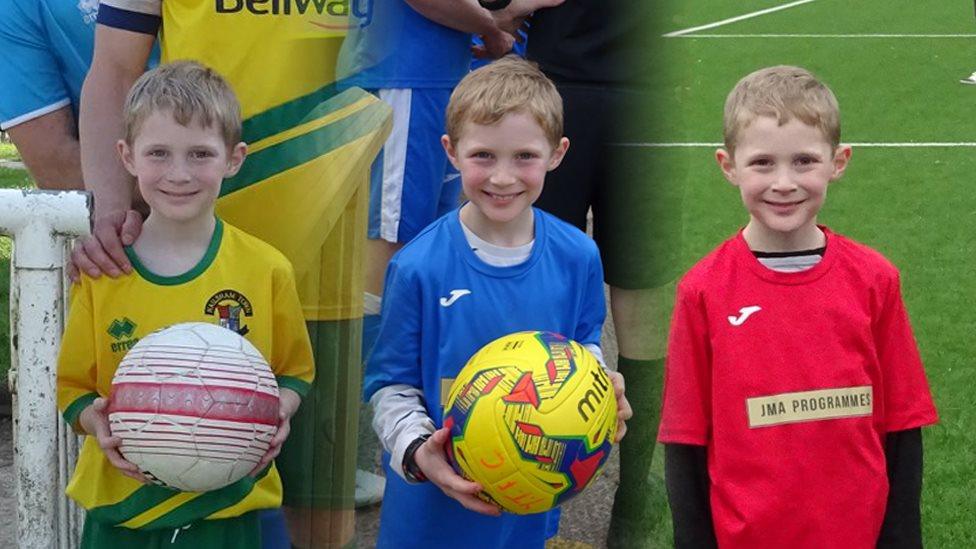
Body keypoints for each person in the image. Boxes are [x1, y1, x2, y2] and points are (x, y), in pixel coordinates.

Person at [76, 2, 391, 546]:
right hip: (190, 252)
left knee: (320, 502)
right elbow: (112, 67)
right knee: (161, 454)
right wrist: (107, 212)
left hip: (338, 236)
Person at [658, 65, 938, 548]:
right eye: (763, 162)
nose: (784, 182)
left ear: (839, 161)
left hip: (856, 533)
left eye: (805, 161)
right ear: (728, 166)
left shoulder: (875, 280)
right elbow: (685, 440)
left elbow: (902, 427)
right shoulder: (702, 290)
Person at [363, 56, 632, 548]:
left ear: (557, 153)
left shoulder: (578, 256)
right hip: (430, 513)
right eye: (483, 155)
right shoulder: (419, 266)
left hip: (527, 500)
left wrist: (598, 389)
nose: (503, 177)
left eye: (524, 156)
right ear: (451, 151)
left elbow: (584, 347)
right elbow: (389, 386)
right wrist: (420, 452)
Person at [56, 61, 314, 547]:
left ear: (234, 158)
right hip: (122, 512)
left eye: (200, 154)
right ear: (127, 156)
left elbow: (294, 372)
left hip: (229, 506)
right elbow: (73, 389)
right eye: (159, 153)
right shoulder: (103, 274)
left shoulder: (267, 269)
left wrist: (279, 411)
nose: (179, 174)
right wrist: (97, 423)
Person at [483, 2, 680, 544]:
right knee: (640, 302)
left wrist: (498, 15)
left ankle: (519, 477)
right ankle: (633, 503)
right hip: (648, 96)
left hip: (559, 94)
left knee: (536, 287)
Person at [337, 0, 516, 506]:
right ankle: (346, 456)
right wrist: (492, 25)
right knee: (386, 261)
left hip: (429, 74)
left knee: (421, 258)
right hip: (403, 71)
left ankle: (399, 437)